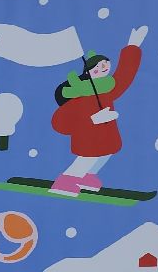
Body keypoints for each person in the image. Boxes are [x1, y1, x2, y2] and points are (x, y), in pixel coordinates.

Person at [46, 27, 146, 197]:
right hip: (88, 138)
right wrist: (93, 118)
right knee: (87, 158)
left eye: (105, 65)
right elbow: (60, 121)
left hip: (106, 136)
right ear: (88, 73)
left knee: (105, 154)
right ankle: (66, 180)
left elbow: (124, 77)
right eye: (97, 68)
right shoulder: (80, 94)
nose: (103, 69)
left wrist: (132, 46)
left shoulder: (106, 88)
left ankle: (86, 177)